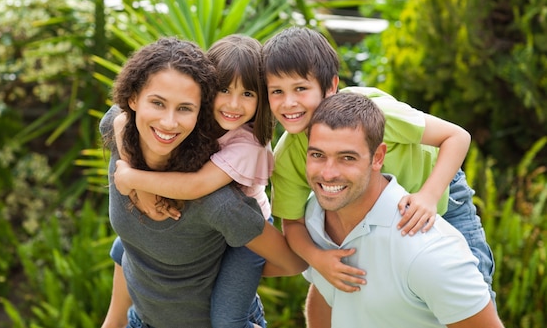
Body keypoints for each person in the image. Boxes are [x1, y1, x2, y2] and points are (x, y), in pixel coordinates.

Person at [262, 26, 496, 300]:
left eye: (300, 88)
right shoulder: (288, 154)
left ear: (331, 86)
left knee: (471, 290)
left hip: (441, 194)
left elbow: (456, 137)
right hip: (378, 221)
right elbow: (292, 225)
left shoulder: (374, 112)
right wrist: (318, 258)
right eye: (276, 91)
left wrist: (429, 196)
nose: (288, 102)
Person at [100, 37, 306, 328]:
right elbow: (115, 119)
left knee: (228, 322)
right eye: (158, 103)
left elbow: (196, 187)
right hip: (141, 321)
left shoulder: (223, 193)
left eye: (184, 108)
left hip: (245, 231)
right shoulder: (125, 138)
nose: (169, 122)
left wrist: (133, 179)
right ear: (133, 100)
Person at [301, 92, 504, 327]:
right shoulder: (314, 215)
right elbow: (326, 292)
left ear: (378, 157)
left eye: (347, 158)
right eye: (317, 155)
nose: (328, 173)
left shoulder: (428, 252)